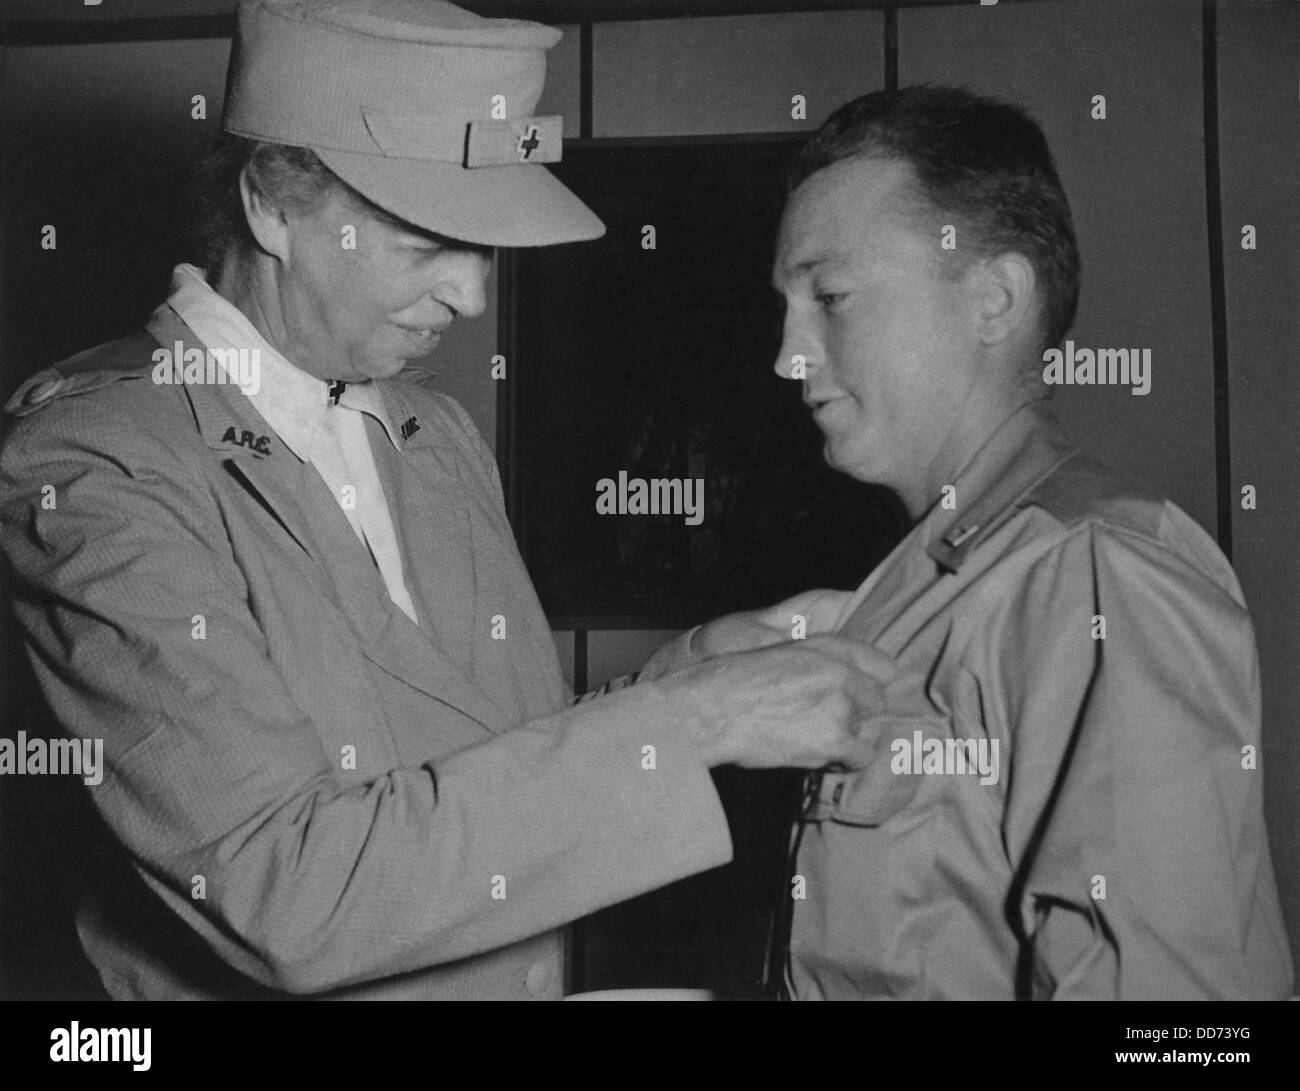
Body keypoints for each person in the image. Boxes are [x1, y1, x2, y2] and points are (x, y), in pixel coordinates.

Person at [0, 0, 890, 1000]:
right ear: (273, 205)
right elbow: (286, 894)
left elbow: (477, 755)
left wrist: (694, 669)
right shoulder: (95, 457)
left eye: (488, 247)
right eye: (428, 242)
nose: (471, 297)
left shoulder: (434, 431)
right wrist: (689, 723)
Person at [765, 85, 1293, 1000]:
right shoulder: (925, 579)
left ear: (996, 299)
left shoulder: (1095, 573)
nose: (788, 356)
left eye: (832, 297)